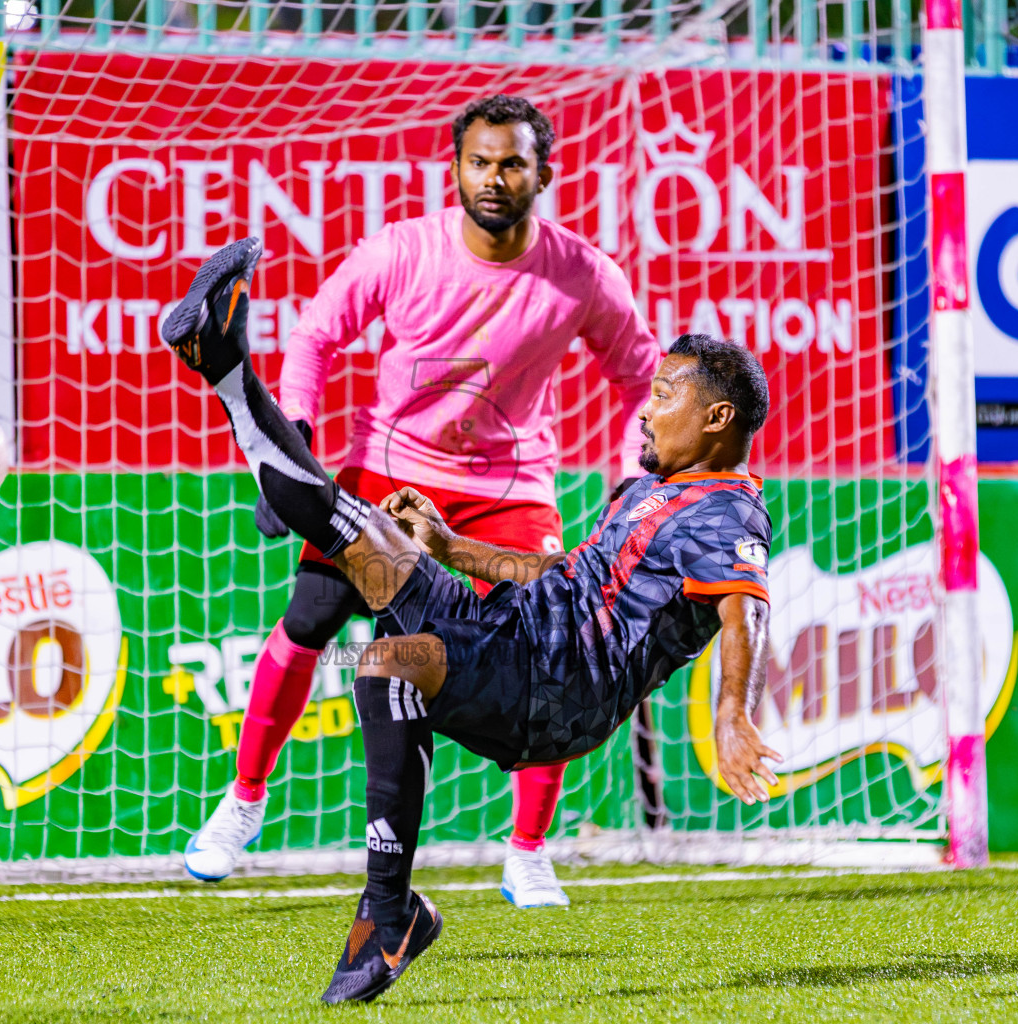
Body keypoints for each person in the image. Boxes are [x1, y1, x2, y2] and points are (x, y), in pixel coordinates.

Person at [160, 237, 781, 1004]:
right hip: (511, 631)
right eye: (650, 393)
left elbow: (744, 606)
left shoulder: (727, 510)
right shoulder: (645, 492)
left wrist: (732, 711)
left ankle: (393, 912)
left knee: (386, 662)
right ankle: (223, 365)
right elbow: (563, 576)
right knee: (342, 524)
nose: (647, 412)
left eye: (664, 397)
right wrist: (450, 547)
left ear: (716, 417)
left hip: (557, 686)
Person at [183, 94, 661, 909]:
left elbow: (643, 374)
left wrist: (633, 476)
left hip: (508, 486)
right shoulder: (401, 251)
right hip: (392, 469)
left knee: (550, 646)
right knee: (311, 618)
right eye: (480, 161)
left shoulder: (582, 273)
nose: (495, 177)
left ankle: (528, 852)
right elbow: (315, 336)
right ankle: (245, 802)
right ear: (456, 168)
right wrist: (294, 433)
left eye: (513, 162)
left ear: (543, 173)